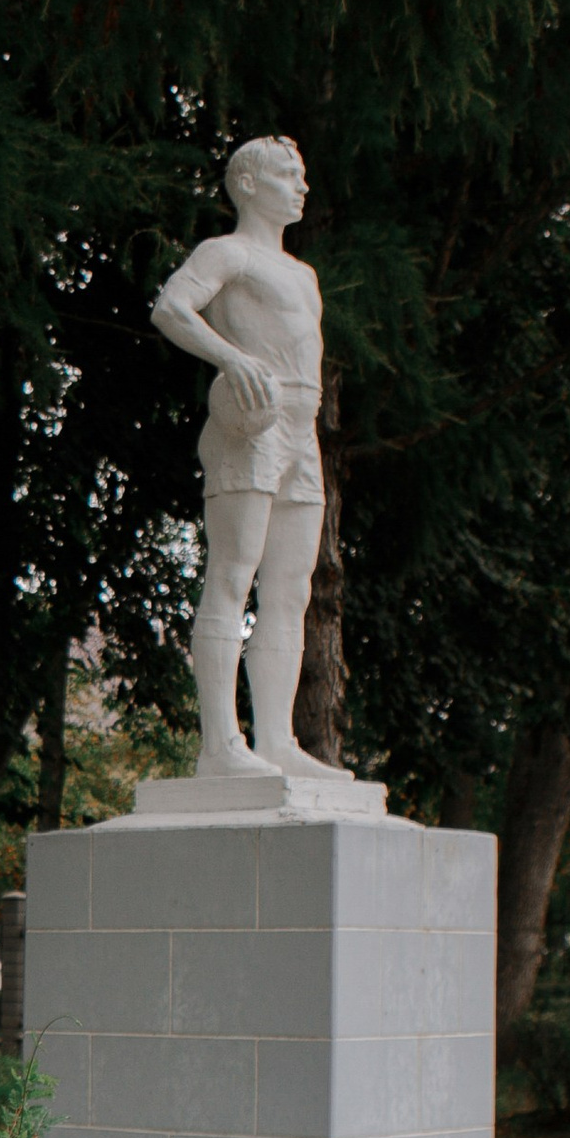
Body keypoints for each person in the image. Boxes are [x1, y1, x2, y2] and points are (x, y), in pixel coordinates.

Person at [149, 133, 350, 785]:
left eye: (303, 175)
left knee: (291, 589)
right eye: (289, 175)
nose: (302, 186)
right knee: (233, 574)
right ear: (250, 184)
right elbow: (171, 307)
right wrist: (232, 358)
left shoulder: (303, 272)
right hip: (251, 420)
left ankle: (277, 740)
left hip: (302, 426)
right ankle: (220, 745)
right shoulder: (227, 253)